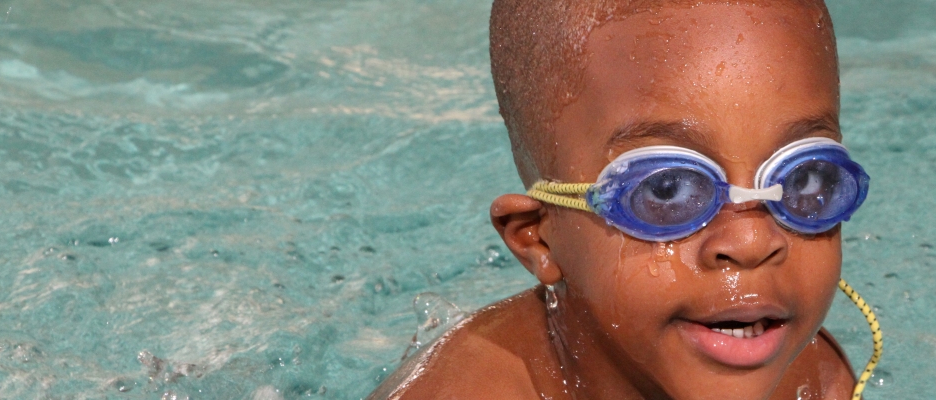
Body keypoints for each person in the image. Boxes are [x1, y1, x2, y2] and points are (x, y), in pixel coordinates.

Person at [370, 0, 881, 398]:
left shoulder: (809, 374)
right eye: (667, 189)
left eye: (806, 180)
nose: (751, 241)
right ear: (537, 238)